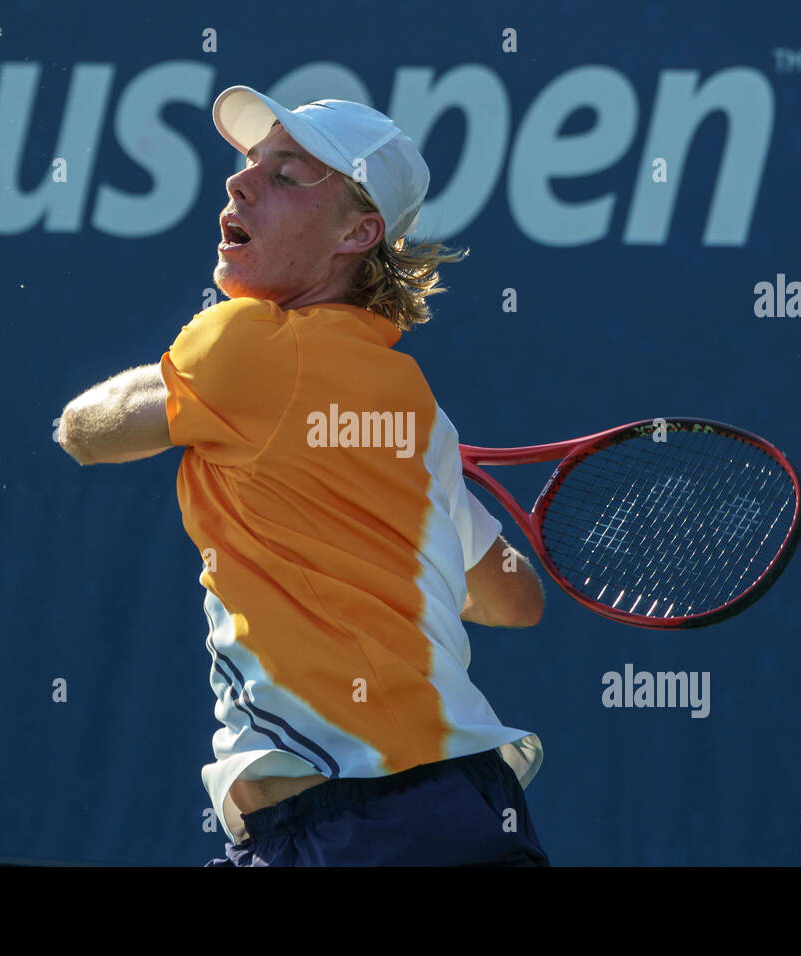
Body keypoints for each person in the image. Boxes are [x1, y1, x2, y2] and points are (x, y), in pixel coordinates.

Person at [57, 85, 549, 866]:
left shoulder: (244, 342)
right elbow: (513, 598)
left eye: (287, 175)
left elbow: (84, 433)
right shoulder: (418, 415)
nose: (240, 182)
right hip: (472, 808)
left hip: (351, 829)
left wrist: (181, 380)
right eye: (250, 164)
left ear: (358, 231)